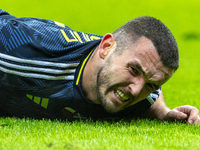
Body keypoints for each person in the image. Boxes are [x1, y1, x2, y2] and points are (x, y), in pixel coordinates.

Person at [0, 9, 199, 124]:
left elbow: (152, 93)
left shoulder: (142, 93)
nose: (136, 90)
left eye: (150, 85)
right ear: (106, 47)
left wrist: (163, 112)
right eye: (134, 70)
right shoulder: (21, 52)